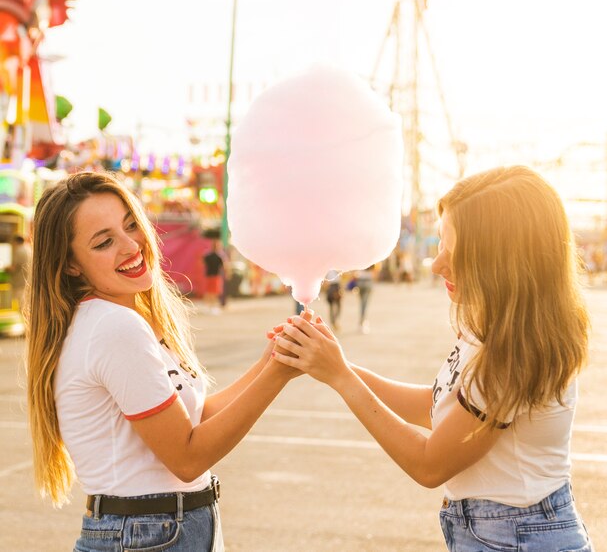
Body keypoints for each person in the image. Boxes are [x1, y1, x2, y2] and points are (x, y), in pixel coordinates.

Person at [272, 166, 594, 551]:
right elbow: (437, 406)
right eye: (440, 244)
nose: (437, 264)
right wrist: (330, 364)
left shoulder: (512, 354)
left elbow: (430, 464)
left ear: (502, 261)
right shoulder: (493, 326)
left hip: (516, 537)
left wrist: (340, 376)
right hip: (503, 532)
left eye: (452, 251)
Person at [25, 171, 304, 552]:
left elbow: (195, 417)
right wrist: (275, 375)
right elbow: (187, 457)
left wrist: (271, 362)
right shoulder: (112, 326)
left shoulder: (119, 318)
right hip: (148, 533)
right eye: (104, 242)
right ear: (71, 264)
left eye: (130, 225)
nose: (130, 245)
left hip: (161, 529)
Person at [8, 234, 31, 312]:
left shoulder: (18, 251)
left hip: (19, 281)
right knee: (26, 303)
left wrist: (6, 268)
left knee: (21, 304)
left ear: (15, 242)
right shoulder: (29, 249)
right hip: (28, 280)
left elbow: (14, 267)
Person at [202, 240, 225, 314]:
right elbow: (223, 266)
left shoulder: (207, 255)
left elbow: (203, 263)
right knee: (214, 292)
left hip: (210, 275)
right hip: (215, 275)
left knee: (210, 292)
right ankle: (212, 307)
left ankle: (209, 306)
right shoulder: (219, 256)